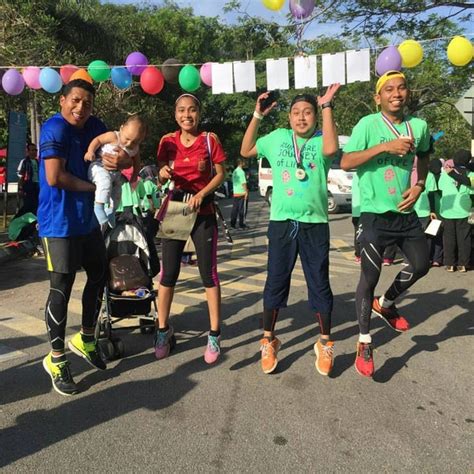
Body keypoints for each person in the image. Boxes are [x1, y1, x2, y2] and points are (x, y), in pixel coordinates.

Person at [38, 79, 132, 396]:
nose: (81, 108)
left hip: (87, 221)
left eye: (87, 103)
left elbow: (126, 151)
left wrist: (125, 161)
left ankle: (86, 338)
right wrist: (95, 189)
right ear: (63, 100)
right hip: (58, 224)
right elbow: (55, 176)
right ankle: (57, 359)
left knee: (99, 275)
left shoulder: (95, 126)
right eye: (75, 101)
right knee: (61, 288)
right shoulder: (54, 129)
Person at [241, 84, 340, 376]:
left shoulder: (323, 139)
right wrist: (257, 115)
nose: (301, 118)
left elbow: (333, 150)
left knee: (320, 283)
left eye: (307, 112)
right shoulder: (276, 139)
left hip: (315, 224)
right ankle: (269, 339)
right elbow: (246, 150)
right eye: (296, 113)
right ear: (288, 117)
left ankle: (324, 343)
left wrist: (326, 106)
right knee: (275, 282)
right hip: (282, 223)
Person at [341, 70, 432, 378]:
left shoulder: (418, 127)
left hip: (406, 216)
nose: (396, 93)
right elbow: (346, 162)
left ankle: (387, 303)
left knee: (421, 264)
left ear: (408, 93)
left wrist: (419, 185)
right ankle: (365, 341)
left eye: (402, 88)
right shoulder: (368, 125)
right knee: (370, 275)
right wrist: (384, 148)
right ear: (377, 97)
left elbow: (426, 156)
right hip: (373, 216)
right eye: (389, 89)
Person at [155, 93, 226, 364]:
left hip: (203, 211)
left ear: (199, 113)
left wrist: (202, 194)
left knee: (208, 273)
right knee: (168, 273)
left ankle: (214, 335)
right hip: (176, 209)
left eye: (192, 110)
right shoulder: (167, 141)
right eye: (182, 110)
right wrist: (163, 173)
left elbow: (221, 173)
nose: (187, 115)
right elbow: (161, 170)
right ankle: (163, 330)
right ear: (175, 115)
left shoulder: (210, 140)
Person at [84, 114, 146, 226]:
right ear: (122, 128)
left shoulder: (135, 149)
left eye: (135, 142)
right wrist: (90, 151)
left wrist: (133, 177)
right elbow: (97, 140)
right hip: (99, 166)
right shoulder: (113, 136)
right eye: (127, 138)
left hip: (116, 173)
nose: (129, 144)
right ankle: (98, 206)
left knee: (118, 191)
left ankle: (112, 211)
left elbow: (137, 164)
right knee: (105, 183)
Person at [439, 149, 473, 272]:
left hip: (447, 209)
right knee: (464, 238)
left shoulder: (445, 173)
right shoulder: (470, 174)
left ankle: (449, 263)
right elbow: (471, 190)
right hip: (464, 210)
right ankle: (463, 264)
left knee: (448, 237)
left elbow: (441, 187)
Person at [16, 142, 40, 216]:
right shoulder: (24, 162)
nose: (34, 152)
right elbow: (21, 176)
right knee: (28, 206)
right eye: (32, 150)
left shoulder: (38, 162)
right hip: (28, 187)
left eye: (35, 150)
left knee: (37, 205)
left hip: (38, 186)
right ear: (28, 151)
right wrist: (20, 188)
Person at [230, 158, 249, 229]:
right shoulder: (241, 172)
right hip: (242, 193)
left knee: (235, 209)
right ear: (241, 163)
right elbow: (243, 183)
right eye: (244, 162)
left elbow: (233, 181)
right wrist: (246, 191)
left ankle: (232, 224)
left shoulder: (235, 171)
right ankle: (242, 224)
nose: (245, 163)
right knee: (242, 209)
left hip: (236, 192)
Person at [351, 172, 362, 263]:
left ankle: (358, 255)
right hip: (365, 209)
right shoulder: (367, 174)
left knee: (358, 233)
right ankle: (359, 254)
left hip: (356, 211)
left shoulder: (355, 175)